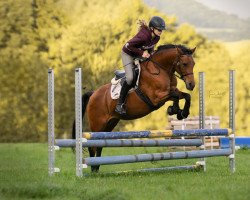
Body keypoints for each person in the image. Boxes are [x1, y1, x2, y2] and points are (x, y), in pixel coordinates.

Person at [115, 16, 166, 115]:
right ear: (152, 28)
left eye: (162, 30)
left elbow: (151, 47)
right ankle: (119, 104)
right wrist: (142, 54)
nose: (161, 31)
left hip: (137, 54)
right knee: (130, 78)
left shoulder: (157, 37)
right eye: (159, 29)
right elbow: (128, 46)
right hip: (128, 53)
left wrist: (151, 53)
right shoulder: (143, 36)